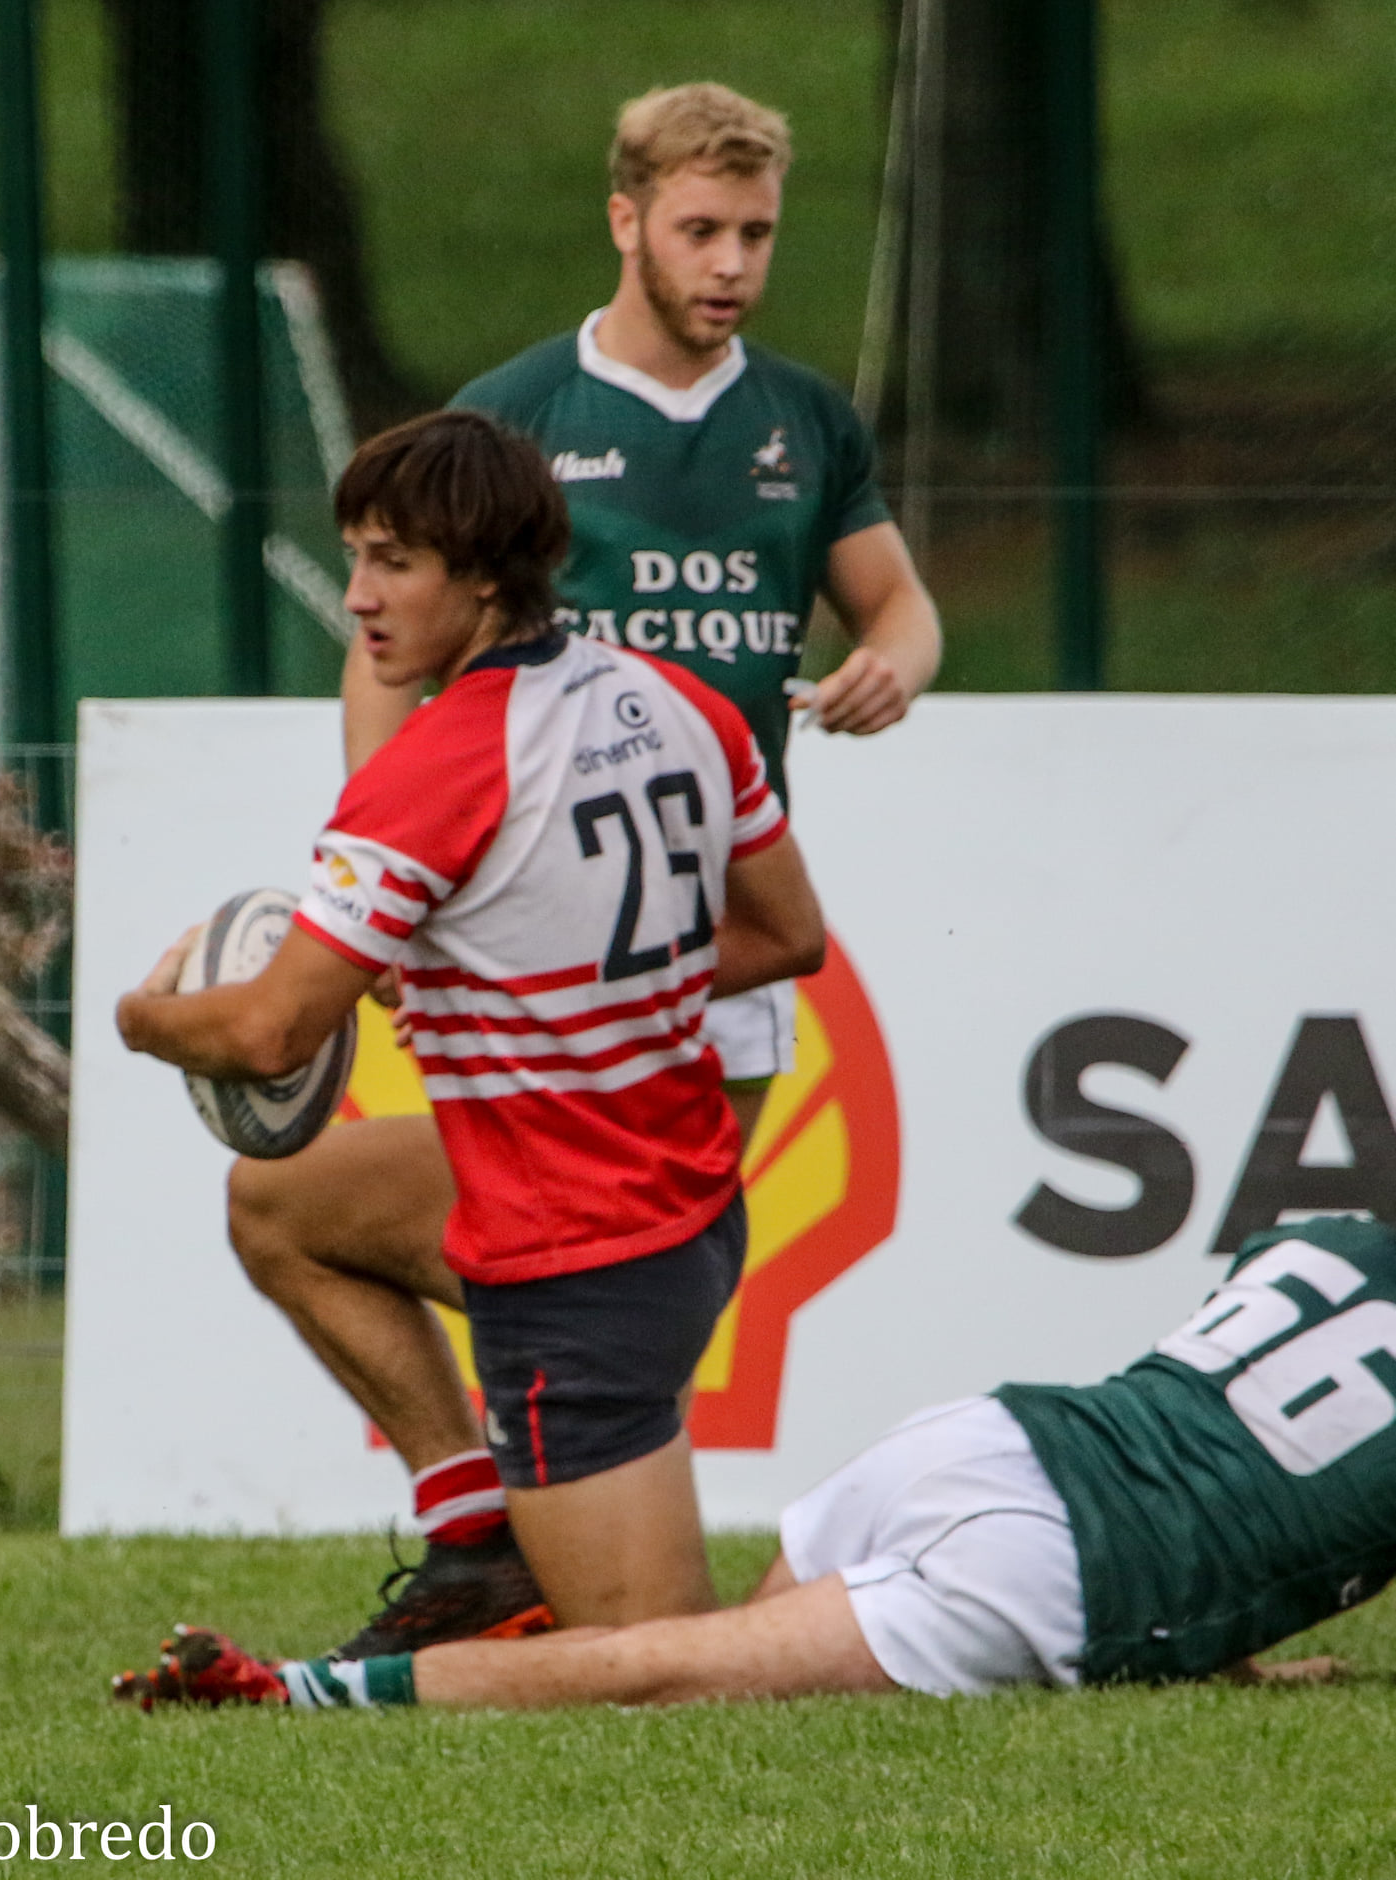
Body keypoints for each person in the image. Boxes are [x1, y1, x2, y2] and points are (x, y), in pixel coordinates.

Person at [226, 81, 941, 1656]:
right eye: (700, 229)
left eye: (756, 233)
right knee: (489, 1251)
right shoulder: (517, 413)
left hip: (706, 951)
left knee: (603, 1280)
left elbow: (897, 605)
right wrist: (378, 853)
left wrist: (897, 660)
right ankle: (490, 1530)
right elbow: (385, 648)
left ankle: (581, 1543)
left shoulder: (802, 421)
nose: (731, 263)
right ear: (625, 220)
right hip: (537, 944)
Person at [118, 411, 825, 1654]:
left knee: (658, 1668)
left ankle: (906, 1602)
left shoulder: (436, 765)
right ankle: (473, 1537)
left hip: (580, 1251)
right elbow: (786, 935)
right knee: (282, 1202)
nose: (358, 595)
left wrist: (142, 1017)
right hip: (676, 1192)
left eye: (393, 562)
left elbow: (272, 1032)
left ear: (489, 576)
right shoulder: (681, 700)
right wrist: (547, 976)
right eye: (356, 555)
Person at [115, 1213, 1396, 1710]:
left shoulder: (1334, 1235)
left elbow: (1223, 1437)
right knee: (672, 1675)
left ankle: (440, 1641)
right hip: (1053, 1569)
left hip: (987, 1437)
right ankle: (292, 1690)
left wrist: (1241, 1656)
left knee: (709, 1668)